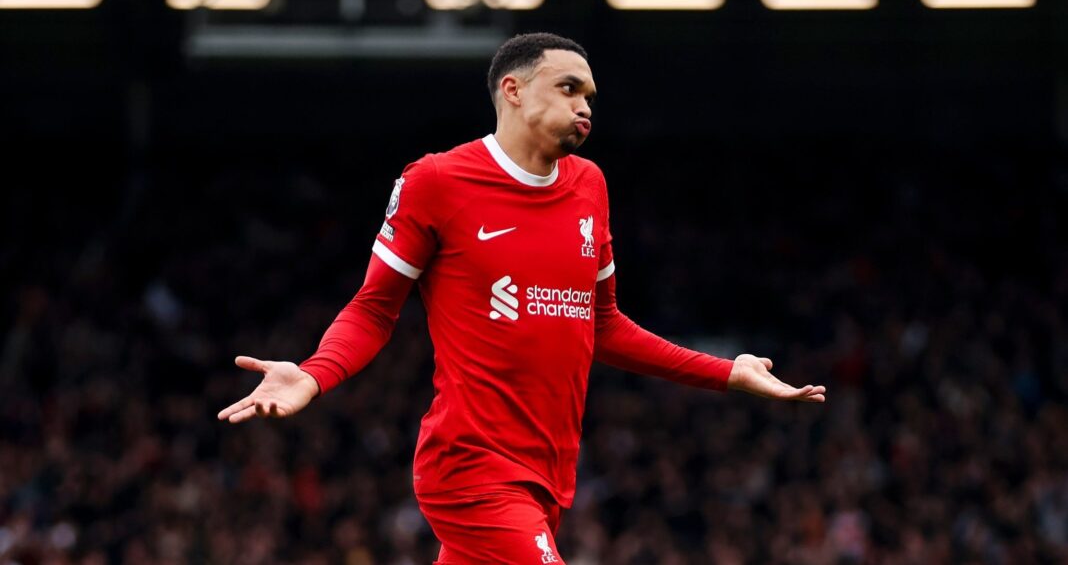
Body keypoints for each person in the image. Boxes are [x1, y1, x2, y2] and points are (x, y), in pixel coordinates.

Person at [217, 32, 826, 564]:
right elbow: (375, 308)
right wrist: (314, 375)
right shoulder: (436, 181)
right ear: (513, 90)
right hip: (471, 468)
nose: (585, 106)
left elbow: (604, 326)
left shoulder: (590, 185)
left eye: (590, 96)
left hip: (550, 475)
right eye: (569, 88)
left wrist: (727, 372)